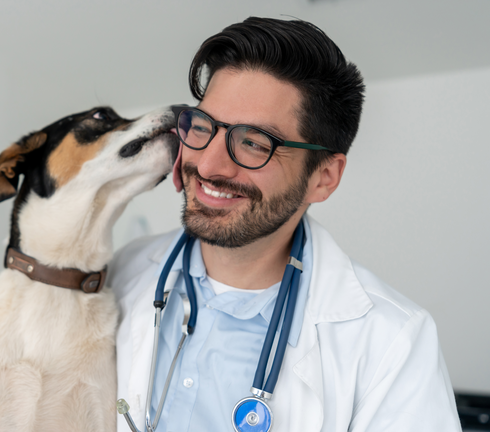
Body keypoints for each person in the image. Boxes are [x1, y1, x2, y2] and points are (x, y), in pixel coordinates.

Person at [109, 17, 461, 432]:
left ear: (323, 177)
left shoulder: (391, 341)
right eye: (203, 128)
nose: (207, 164)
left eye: (254, 143)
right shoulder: (121, 272)